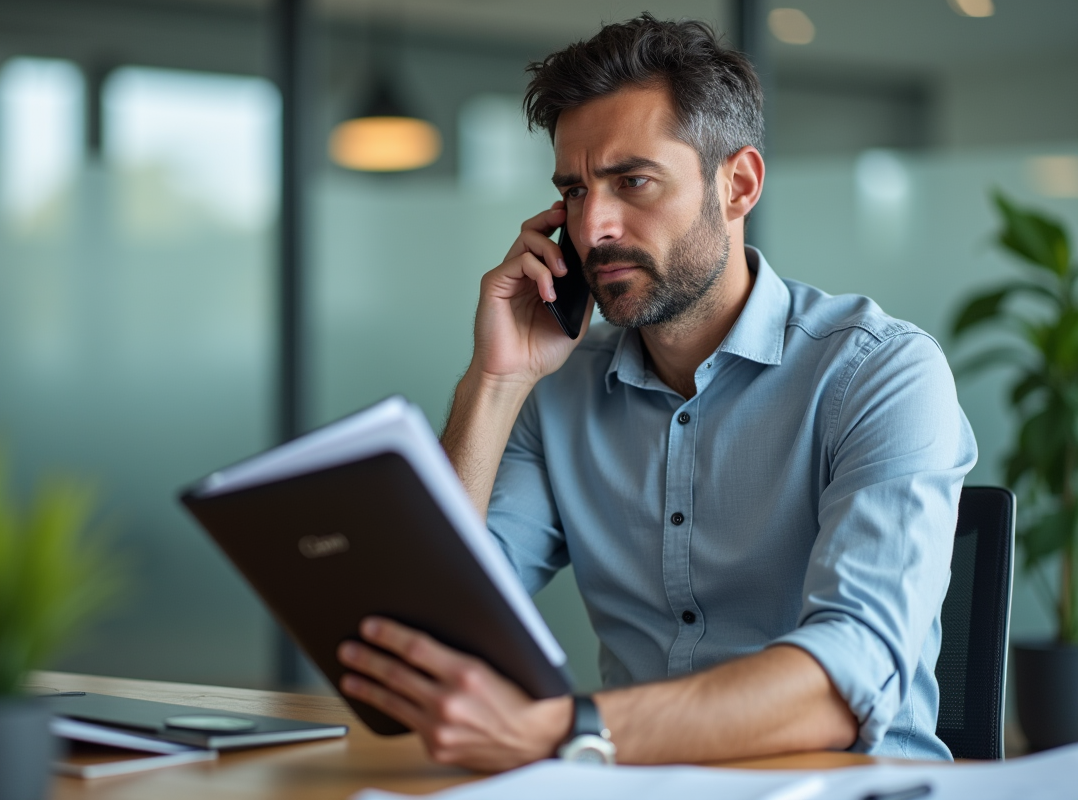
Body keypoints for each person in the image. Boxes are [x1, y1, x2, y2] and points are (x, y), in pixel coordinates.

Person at [335, 15, 977, 770]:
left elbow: (846, 681)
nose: (592, 226)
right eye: (573, 192)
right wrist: (495, 381)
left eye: (631, 181)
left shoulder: (879, 374)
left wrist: (555, 730)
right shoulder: (558, 393)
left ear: (737, 185)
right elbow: (419, 632)